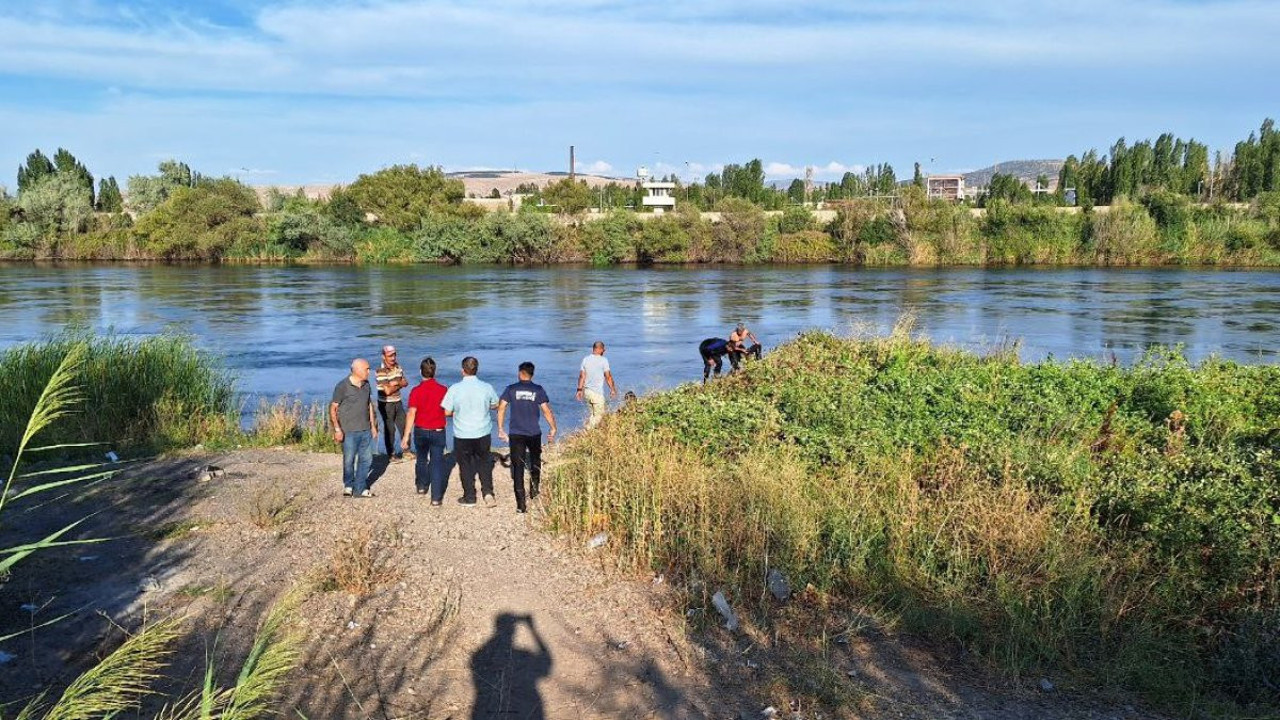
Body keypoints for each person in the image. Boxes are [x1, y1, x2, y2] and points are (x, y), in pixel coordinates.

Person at [497, 362, 557, 514]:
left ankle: (521, 505)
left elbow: (501, 407)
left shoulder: (511, 389)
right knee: (535, 462)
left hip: (516, 433)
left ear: (520, 373)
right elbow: (546, 410)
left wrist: (500, 429)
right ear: (532, 374)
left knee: (517, 467)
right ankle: (534, 492)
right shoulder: (538, 389)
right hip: (534, 433)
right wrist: (553, 427)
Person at [442, 356, 499, 508]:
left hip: (463, 433)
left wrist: (458, 412)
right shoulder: (486, 387)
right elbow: (496, 404)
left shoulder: (455, 388)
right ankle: (488, 493)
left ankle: (470, 497)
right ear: (477, 370)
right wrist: (486, 406)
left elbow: (447, 412)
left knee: (465, 465)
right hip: (483, 431)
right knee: (485, 462)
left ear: (463, 371)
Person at [402, 357, 449, 504]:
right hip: (438, 430)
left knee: (421, 459)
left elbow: (411, 413)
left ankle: (422, 486)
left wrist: (406, 436)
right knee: (436, 462)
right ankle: (436, 497)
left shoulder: (416, 391)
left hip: (421, 430)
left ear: (420, 371)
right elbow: (448, 411)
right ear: (435, 372)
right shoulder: (443, 390)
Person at [330, 358, 378, 498]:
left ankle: (360, 487)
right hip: (348, 431)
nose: (369, 372)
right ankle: (349, 485)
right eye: (367, 369)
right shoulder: (342, 386)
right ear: (357, 370)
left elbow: (369, 405)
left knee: (367, 459)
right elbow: (333, 408)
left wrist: (373, 426)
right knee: (349, 460)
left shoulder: (366, 385)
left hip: (365, 429)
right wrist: (337, 429)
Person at [375, 345, 409, 462]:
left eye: (394, 355)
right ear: (383, 356)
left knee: (404, 426)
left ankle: (406, 451)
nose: (393, 358)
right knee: (390, 429)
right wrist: (399, 384)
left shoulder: (398, 367)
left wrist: (394, 383)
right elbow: (387, 391)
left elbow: (406, 382)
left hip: (397, 401)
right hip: (386, 403)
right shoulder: (381, 371)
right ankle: (391, 454)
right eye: (390, 356)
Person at [576, 341, 617, 429]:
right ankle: (587, 430)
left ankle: (590, 433)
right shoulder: (604, 360)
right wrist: (612, 389)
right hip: (597, 393)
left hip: (587, 392)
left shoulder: (585, 359)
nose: (604, 352)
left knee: (593, 415)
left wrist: (579, 390)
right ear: (600, 349)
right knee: (599, 416)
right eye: (604, 350)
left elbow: (582, 376)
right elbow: (608, 377)